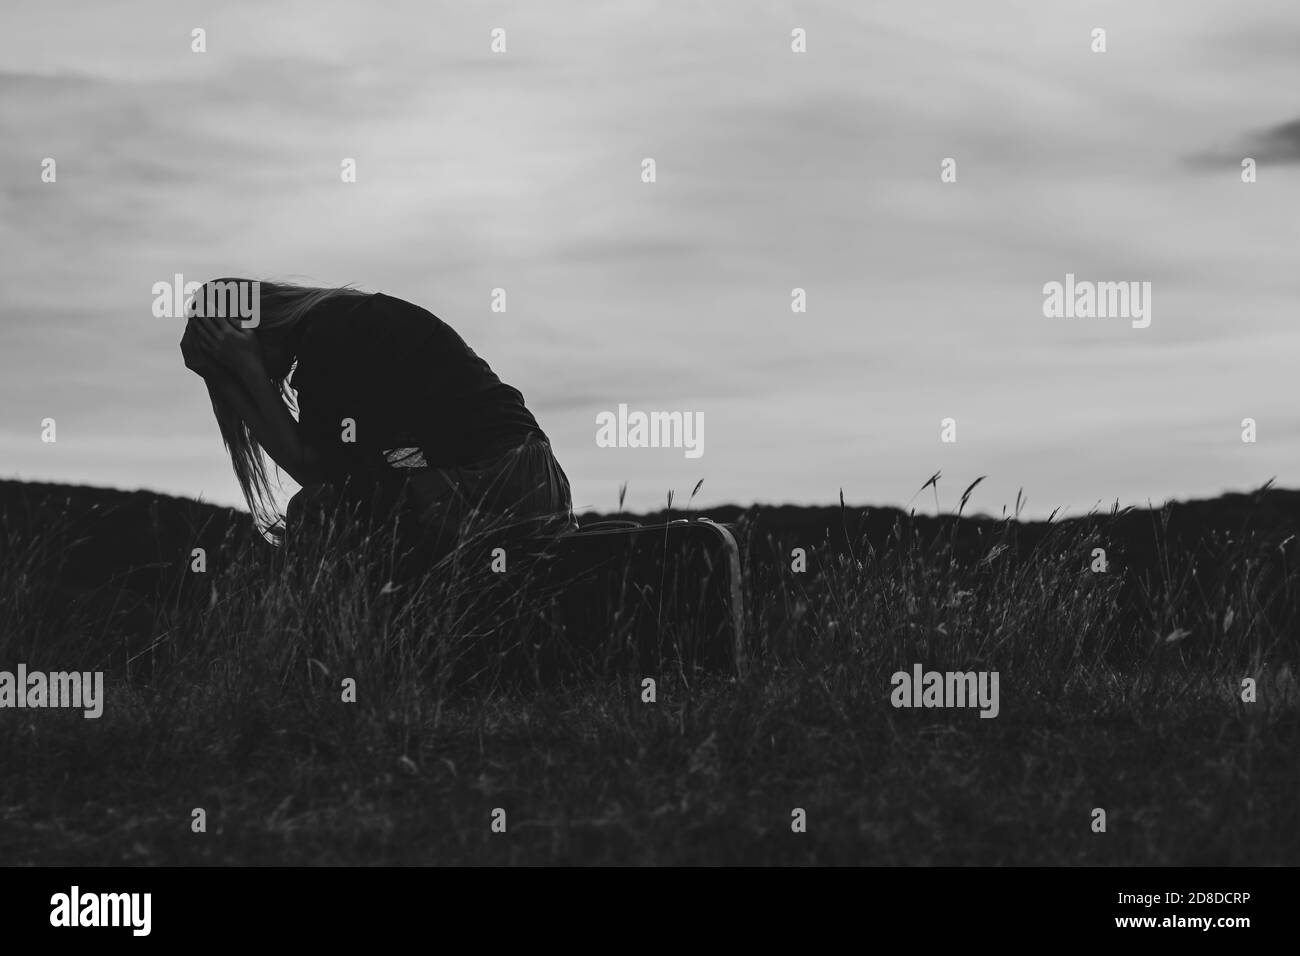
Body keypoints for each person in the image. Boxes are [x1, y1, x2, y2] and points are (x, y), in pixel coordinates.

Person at [180, 278, 576, 561]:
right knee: (330, 513)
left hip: (501, 478)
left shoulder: (330, 331)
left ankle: (345, 666)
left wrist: (244, 371)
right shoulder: (338, 322)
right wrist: (231, 378)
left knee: (315, 514)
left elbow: (317, 474)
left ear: (247, 334)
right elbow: (345, 472)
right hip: (524, 479)